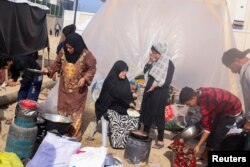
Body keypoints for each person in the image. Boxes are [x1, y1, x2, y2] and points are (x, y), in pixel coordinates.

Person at [42, 32, 96, 141]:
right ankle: (62, 131)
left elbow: (92, 68)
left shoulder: (86, 55)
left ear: (76, 46)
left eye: (71, 48)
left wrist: (84, 78)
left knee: (75, 112)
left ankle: (74, 135)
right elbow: (56, 64)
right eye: (67, 47)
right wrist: (48, 69)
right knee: (63, 109)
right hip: (64, 89)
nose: (69, 50)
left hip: (78, 91)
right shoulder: (63, 52)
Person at [179, 87, 243, 160]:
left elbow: (207, 129)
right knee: (213, 130)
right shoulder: (198, 93)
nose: (188, 106)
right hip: (221, 106)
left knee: (217, 137)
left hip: (232, 109)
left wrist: (198, 145)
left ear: (193, 98)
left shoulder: (206, 104)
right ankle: (205, 154)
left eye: (188, 104)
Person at [95, 60, 138, 148]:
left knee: (134, 116)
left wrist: (130, 101)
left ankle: (126, 140)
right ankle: (118, 142)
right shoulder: (110, 81)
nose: (124, 73)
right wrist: (130, 99)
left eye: (126, 71)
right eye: (122, 71)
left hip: (119, 105)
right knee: (120, 116)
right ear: (117, 70)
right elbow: (118, 94)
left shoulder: (125, 81)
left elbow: (126, 94)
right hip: (107, 106)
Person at [140, 42, 175, 149]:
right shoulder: (155, 62)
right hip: (149, 91)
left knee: (158, 115)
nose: (153, 55)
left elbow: (167, 81)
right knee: (147, 111)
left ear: (162, 53)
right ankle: (145, 134)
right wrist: (150, 62)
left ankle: (160, 140)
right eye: (153, 52)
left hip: (160, 93)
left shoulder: (169, 64)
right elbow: (145, 71)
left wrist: (155, 85)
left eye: (155, 53)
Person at [222, 48, 250, 131]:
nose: (232, 71)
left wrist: (249, 120)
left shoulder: (248, 71)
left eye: (231, 67)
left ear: (237, 60)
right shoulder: (245, 71)